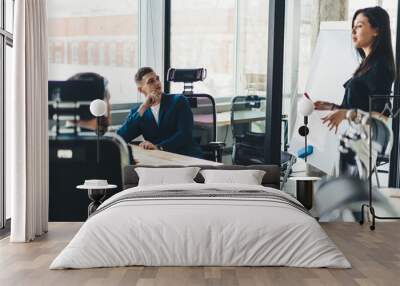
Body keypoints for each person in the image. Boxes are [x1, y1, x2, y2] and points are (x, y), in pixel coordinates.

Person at [314, 6, 396, 175]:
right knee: (345, 193)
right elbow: (355, 107)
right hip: (354, 140)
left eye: (359, 25)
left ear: (376, 30)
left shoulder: (380, 67)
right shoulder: (367, 65)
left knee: (349, 194)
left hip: (366, 143)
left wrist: (346, 114)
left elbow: (382, 116)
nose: (352, 30)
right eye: (353, 25)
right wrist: (330, 107)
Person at [117, 67, 203, 158]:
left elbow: (185, 134)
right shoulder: (139, 112)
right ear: (141, 90)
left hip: (187, 156)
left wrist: (159, 147)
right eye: (151, 81)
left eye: (157, 79)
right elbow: (120, 138)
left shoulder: (179, 101)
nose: (157, 83)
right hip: (160, 159)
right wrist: (144, 107)